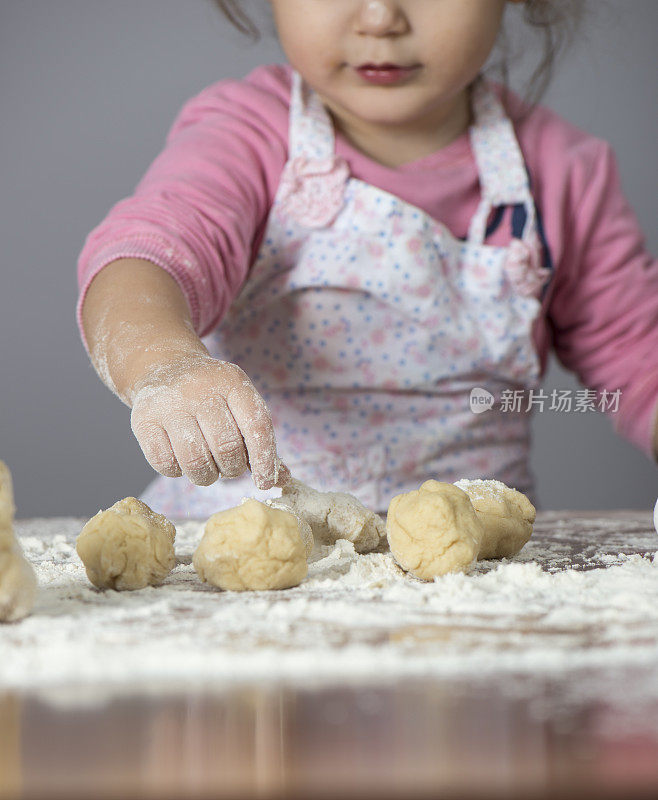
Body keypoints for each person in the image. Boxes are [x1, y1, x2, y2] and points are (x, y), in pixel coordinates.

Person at [76, 0, 658, 518]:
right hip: (232, 558)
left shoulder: (560, 172)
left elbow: (641, 358)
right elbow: (147, 259)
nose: (380, 18)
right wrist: (164, 364)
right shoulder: (249, 136)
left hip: (471, 577)